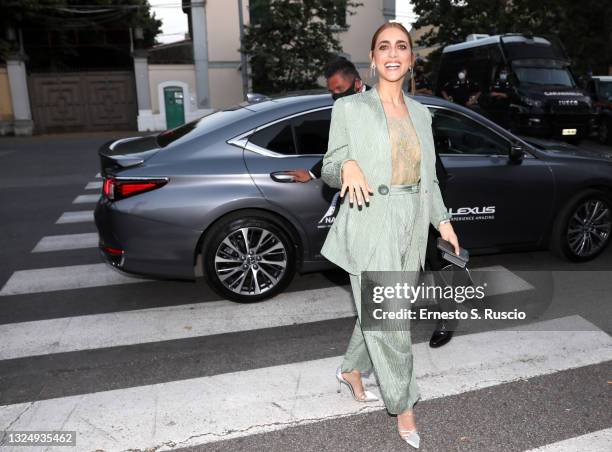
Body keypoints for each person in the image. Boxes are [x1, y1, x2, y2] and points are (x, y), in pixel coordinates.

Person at [320, 22, 460, 449]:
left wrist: (445, 222)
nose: (393, 53)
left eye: (402, 46)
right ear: (373, 58)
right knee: (393, 321)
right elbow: (329, 164)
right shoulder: (350, 109)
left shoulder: (422, 114)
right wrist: (346, 166)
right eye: (385, 46)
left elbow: (429, 180)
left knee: (379, 309)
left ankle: (350, 369)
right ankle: (405, 407)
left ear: (411, 58)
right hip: (369, 222)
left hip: (411, 225)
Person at [287, 58, 370, 183]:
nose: (336, 96)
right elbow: (338, 147)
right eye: (332, 92)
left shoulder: (378, 103)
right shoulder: (345, 107)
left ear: (357, 84)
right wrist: (311, 174)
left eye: (339, 89)